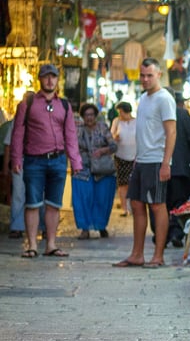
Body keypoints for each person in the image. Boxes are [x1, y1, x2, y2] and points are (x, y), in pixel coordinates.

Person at [10, 64, 83, 258]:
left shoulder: (64, 105)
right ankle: (32, 245)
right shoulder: (29, 102)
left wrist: (75, 162)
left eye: (53, 77)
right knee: (32, 203)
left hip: (58, 160)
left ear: (58, 80)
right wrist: (16, 158)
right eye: (46, 77)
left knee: (53, 204)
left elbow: (70, 135)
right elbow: (18, 133)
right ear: (39, 79)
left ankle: (50, 244)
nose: (50, 80)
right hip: (34, 160)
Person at [112, 58, 176, 268]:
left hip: (157, 160)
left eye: (149, 75)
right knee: (137, 205)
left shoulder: (164, 98)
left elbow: (171, 131)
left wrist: (166, 162)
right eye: (142, 75)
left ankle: (158, 256)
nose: (145, 79)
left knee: (158, 206)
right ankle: (137, 254)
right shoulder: (143, 98)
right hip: (141, 160)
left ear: (159, 75)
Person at [158, 92, 190, 249]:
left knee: (163, 202)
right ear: (181, 103)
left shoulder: (159, 116)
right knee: (179, 202)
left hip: (161, 166)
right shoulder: (186, 117)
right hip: (183, 168)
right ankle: (176, 233)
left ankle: (163, 235)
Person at [72, 104, 118, 240]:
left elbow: (113, 146)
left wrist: (102, 151)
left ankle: (101, 225)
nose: (89, 118)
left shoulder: (102, 127)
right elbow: (70, 144)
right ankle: (84, 228)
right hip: (82, 168)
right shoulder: (77, 129)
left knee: (102, 199)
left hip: (102, 169)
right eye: (86, 115)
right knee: (82, 199)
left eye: (92, 114)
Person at [2, 101, 29, 239]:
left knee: (40, 194)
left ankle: (43, 227)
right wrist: (6, 167)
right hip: (20, 161)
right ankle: (17, 227)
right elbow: (8, 145)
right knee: (19, 193)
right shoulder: (16, 123)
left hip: (39, 161)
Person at [110, 101, 136, 216]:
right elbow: (111, 136)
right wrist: (115, 138)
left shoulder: (137, 122)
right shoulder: (116, 121)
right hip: (120, 156)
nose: (120, 114)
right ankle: (125, 208)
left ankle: (133, 207)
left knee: (133, 183)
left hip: (135, 157)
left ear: (127, 112)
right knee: (122, 183)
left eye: (121, 112)